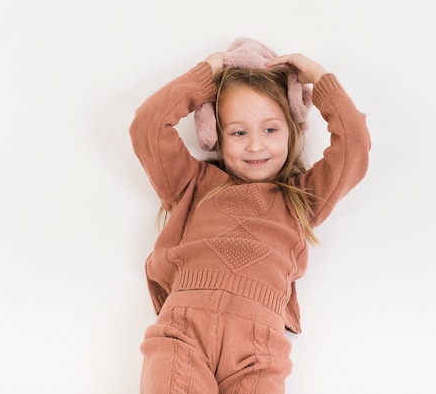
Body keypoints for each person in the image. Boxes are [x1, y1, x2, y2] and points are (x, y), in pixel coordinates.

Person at [129, 39, 370, 394]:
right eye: (239, 132)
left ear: (291, 130)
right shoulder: (192, 184)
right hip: (182, 331)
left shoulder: (302, 197)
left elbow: (354, 146)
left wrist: (320, 80)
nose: (255, 146)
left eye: (270, 129)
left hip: (258, 350)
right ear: (215, 136)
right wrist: (205, 74)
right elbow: (148, 126)